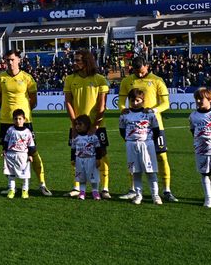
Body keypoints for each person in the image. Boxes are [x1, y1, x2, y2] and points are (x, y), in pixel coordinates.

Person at [117, 57, 175, 202]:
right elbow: (120, 101)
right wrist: (123, 109)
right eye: (137, 72)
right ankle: (133, 190)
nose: (140, 74)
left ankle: (166, 190)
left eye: (142, 71)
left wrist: (153, 111)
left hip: (155, 126)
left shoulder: (157, 80)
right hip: (135, 129)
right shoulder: (127, 81)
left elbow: (166, 103)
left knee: (162, 157)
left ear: (147, 66)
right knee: (133, 160)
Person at [0, 50, 50, 196]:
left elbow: (34, 100)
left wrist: (24, 116)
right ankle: (11, 186)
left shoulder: (27, 78)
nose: (9, 62)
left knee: (33, 152)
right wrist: (7, 112)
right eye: (7, 60)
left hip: (25, 122)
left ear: (19, 60)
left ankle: (42, 184)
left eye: (12, 59)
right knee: (8, 154)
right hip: (6, 121)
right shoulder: (0, 78)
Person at [62, 50, 109, 199]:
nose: (74, 63)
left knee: (102, 156)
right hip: (77, 125)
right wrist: (74, 123)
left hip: (97, 125)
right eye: (74, 60)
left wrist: (95, 125)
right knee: (75, 157)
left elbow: (102, 105)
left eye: (78, 60)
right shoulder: (69, 79)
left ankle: (105, 188)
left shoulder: (100, 79)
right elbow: (68, 102)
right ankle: (77, 187)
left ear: (87, 61)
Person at [118, 89, 161, 205]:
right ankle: (138, 195)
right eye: (132, 100)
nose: (135, 103)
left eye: (138, 100)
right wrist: (129, 140)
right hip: (131, 145)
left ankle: (155, 195)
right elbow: (122, 130)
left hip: (147, 144)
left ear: (143, 100)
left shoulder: (149, 114)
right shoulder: (124, 114)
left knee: (150, 171)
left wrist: (149, 141)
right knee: (135, 172)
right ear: (129, 101)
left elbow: (156, 130)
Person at [2, 110, 35, 199]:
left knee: (25, 174)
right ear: (13, 120)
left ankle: (25, 190)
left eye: (20, 119)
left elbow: (31, 144)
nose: (18, 121)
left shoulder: (27, 131)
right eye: (16, 119)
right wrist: (4, 150)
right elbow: (5, 141)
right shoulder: (10, 130)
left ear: (24, 119)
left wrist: (30, 155)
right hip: (11, 154)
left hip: (23, 155)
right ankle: (11, 190)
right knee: (10, 173)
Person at [69, 114, 101, 200]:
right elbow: (73, 149)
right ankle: (82, 192)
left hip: (91, 159)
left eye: (80, 124)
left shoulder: (93, 137)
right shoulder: (76, 138)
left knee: (93, 177)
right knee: (81, 177)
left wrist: (98, 159)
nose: (77, 126)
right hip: (79, 160)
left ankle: (95, 191)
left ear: (87, 126)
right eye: (76, 124)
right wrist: (73, 159)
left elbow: (98, 148)